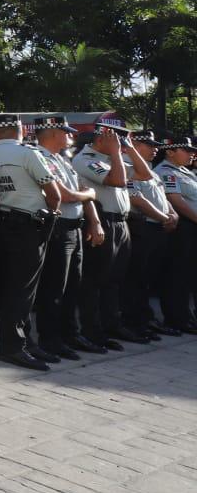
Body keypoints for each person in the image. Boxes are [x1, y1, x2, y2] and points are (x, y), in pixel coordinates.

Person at [0, 114, 63, 371]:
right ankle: (14, 347)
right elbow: (54, 194)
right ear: (20, 129)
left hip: (5, 222)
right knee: (23, 291)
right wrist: (51, 215)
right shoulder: (28, 154)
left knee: (15, 287)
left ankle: (25, 342)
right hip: (28, 225)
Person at [73, 122, 155, 347]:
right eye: (118, 140)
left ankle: (112, 325)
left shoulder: (112, 157)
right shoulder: (85, 159)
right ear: (102, 139)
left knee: (114, 279)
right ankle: (92, 330)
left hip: (121, 223)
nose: (121, 144)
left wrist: (130, 149)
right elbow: (117, 181)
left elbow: (145, 174)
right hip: (103, 221)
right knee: (95, 280)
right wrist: (117, 152)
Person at [32, 116, 97, 362]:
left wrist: (94, 220)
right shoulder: (40, 158)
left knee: (72, 286)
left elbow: (78, 189)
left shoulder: (62, 158)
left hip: (75, 226)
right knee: (54, 288)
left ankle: (70, 333)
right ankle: (50, 339)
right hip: (58, 227)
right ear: (52, 133)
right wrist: (89, 194)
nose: (71, 135)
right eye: (66, 132)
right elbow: (67, 195)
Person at [127, 131, 180, 337]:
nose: (155, 149)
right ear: (134, 145)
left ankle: (147, 318)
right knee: (137, 278)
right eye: (149, 145)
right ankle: (136, 322)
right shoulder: (128, 167)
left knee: (149, 277)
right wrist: (164, 217)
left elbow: (162, 197)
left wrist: (172, 214)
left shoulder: (149, 169)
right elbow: (137, 199)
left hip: (159, 228)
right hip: (143, 228)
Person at [156, 138, 197, 332]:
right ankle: (177, 319)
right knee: (177, 275)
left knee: (190, 275)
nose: (191, 154)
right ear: (170, 152)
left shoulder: (185, 172)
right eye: (186, 150)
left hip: (192, 227)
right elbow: (177, 202)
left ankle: (187, 316)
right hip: (182, 228)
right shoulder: (165, 172)